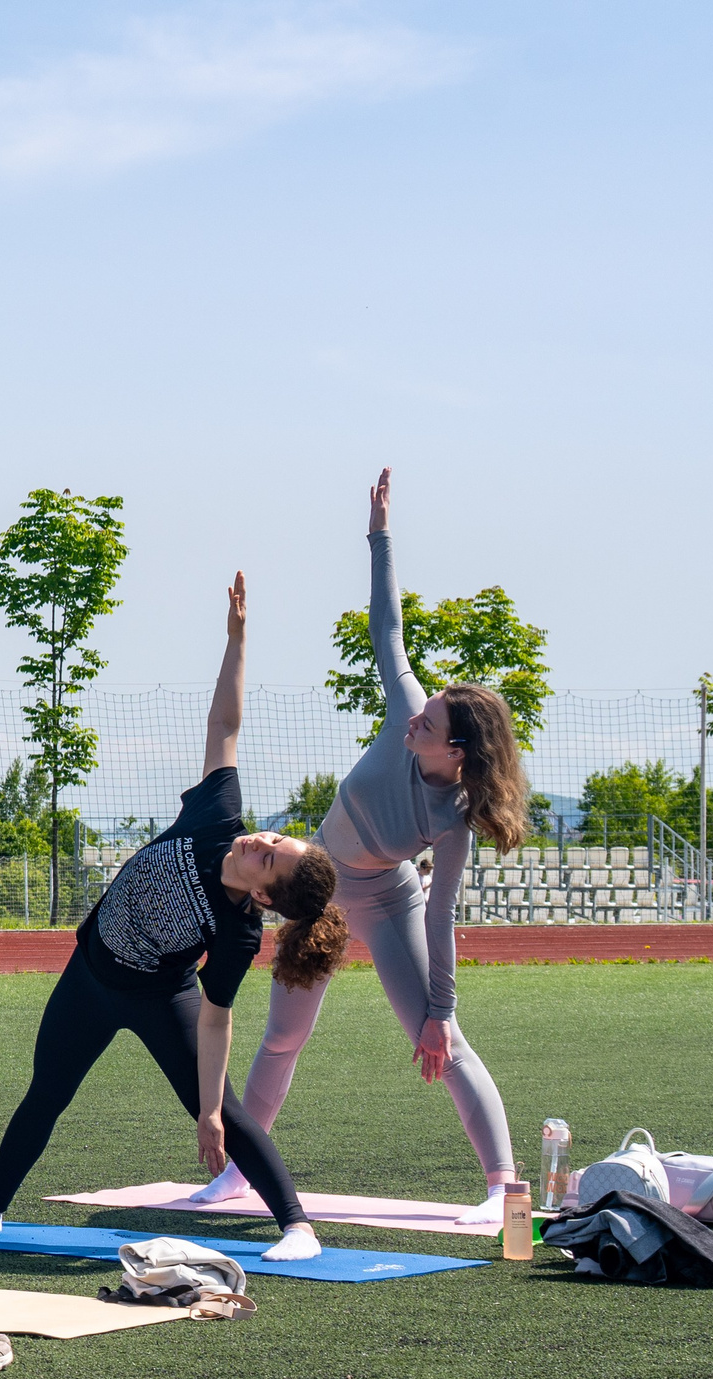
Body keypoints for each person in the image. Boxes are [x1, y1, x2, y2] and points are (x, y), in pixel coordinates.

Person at [0, 572, 349, 1263]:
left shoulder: (239, 930)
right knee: (46, 1091)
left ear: (267, 898)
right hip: (90, 974)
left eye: (270, 861)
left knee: (224, 1108)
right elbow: (225, 724)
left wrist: (210, 1108)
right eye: (275, 840)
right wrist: (237, 638)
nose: (262, 844)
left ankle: (297, 1226)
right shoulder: (219, 815)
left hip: (162, 997)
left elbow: (217, 1018)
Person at [203, 470, 531, 1225]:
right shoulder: (405, 711)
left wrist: (438, 1012)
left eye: (433, 720)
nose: (419, 716)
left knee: (444, 1040)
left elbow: (442, 914)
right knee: (282, 1037)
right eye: (424, 709)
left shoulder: (453, 818)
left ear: (457, 753)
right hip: (318, 890)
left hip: (386, 902)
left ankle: (502, 1187)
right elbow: (389, 629)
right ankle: (238, 1177)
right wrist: (379, 534)